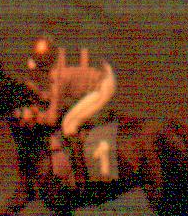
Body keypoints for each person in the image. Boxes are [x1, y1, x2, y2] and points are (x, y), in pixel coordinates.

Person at [26, 36, 119, 183]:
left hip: (104, 87)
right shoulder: (57, 70)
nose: (36, 76)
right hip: (104, 78)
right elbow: (56, 95)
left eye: (37, 71)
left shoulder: (57, 78)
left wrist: (36, 117)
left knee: (68, 125)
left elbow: (52, 119)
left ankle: (81, 174)